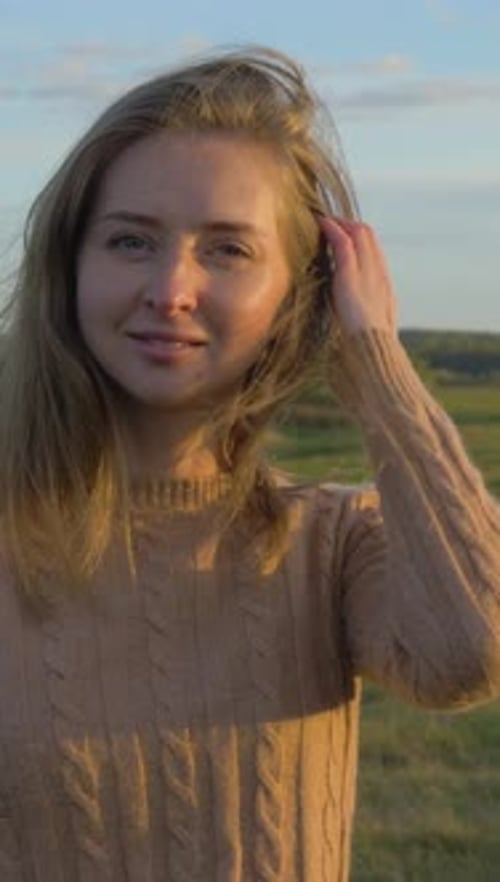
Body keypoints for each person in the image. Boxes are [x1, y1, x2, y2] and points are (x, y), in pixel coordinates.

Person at [0, 46, 499, 882]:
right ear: (70, 266)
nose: (170, 289)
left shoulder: (330, 542)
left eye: (226, 250)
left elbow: (472, 653)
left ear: (299, 293)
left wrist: (377, 366)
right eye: (130, 240)